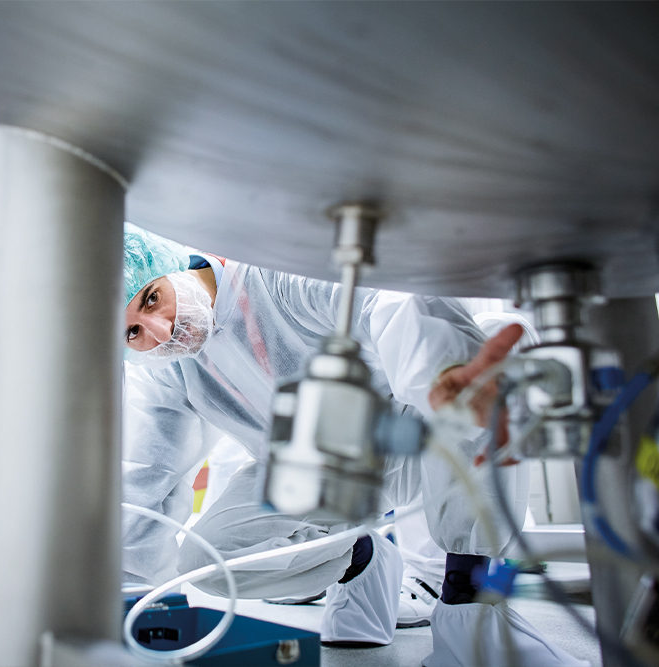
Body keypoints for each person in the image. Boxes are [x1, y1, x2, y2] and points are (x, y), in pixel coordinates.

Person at [120, 223, 587, 666]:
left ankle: (473, 610)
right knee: (209, 561)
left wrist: (442, 372)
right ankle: (360, 560)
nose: (160, 330)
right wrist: (123, 597)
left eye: (151, 298)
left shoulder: (272, 274)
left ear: (169, 262)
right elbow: (146, 470)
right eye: (133, 332)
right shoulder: (169, 370)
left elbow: (386, 302)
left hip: (406, 431)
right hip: (309, 474)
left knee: (480, 365)